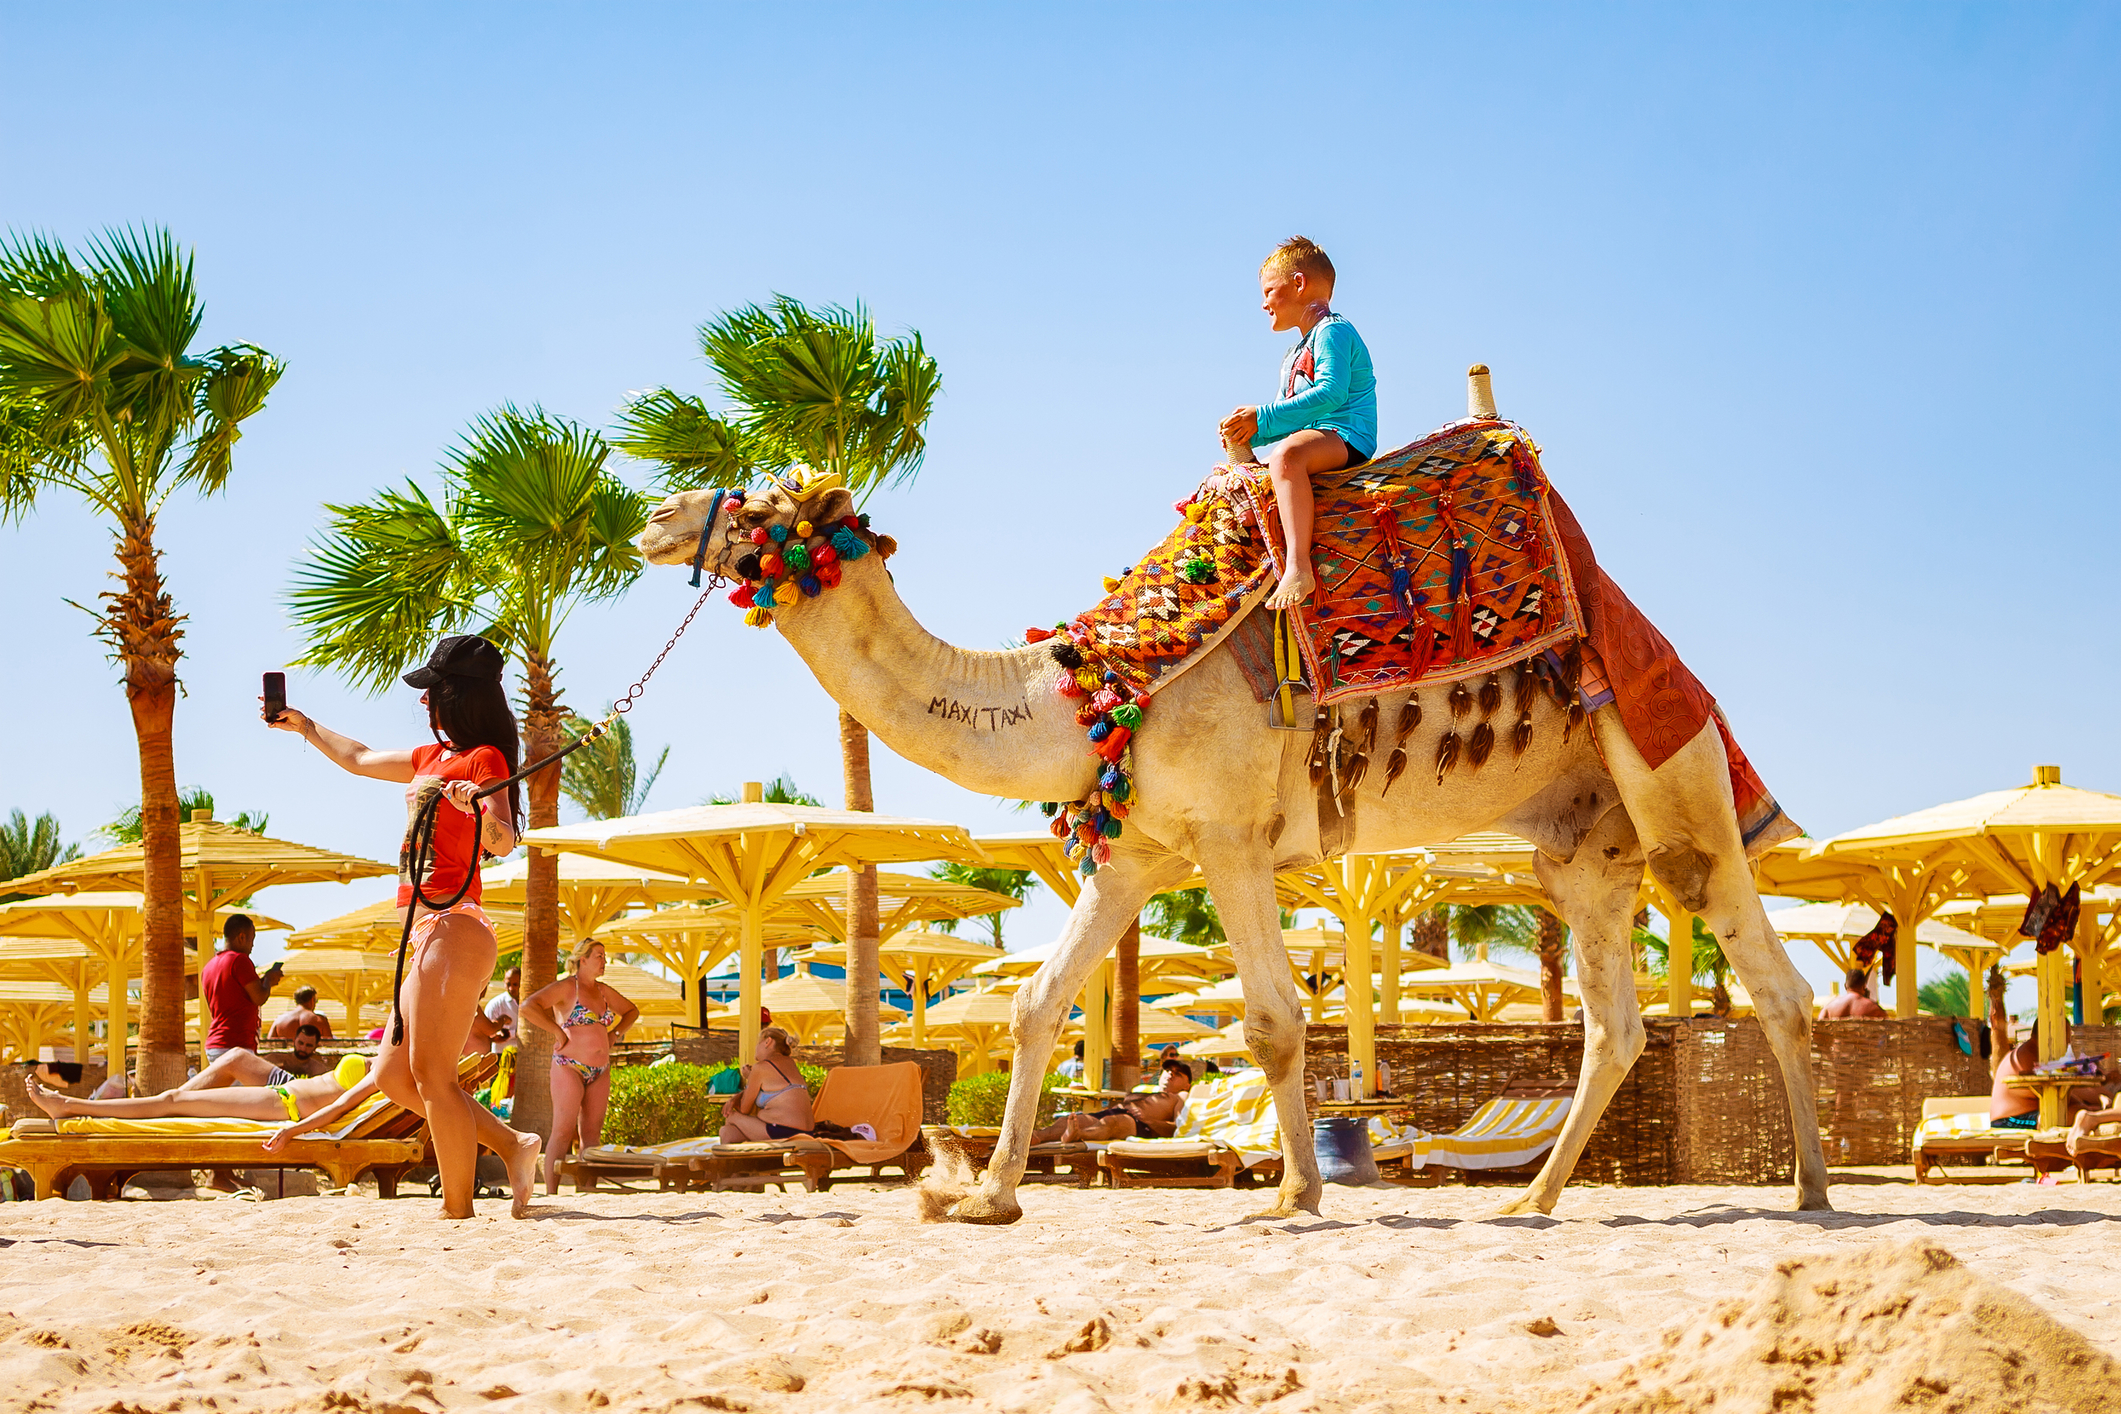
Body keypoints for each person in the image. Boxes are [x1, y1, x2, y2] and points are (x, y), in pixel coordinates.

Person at [266, 633, 542, 1218]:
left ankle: (458, 1209)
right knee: (395, 1077)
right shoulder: (428, 759)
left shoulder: (484, 759)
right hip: (419, 933)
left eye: (432, 693)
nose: (423, 703)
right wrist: (308, 728)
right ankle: (515, 1146)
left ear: (458, 697)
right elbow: (360, 758)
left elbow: (503, 842)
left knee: (432, 1075)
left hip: (454, 924)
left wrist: (477, 806)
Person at [1218, 235, 1377, 611]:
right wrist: (1251, 429)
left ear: (1299, 284)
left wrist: (1263, 417)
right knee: (1265, 466)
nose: (1264, 303)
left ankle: (1298, 565)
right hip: (1316, 435)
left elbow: (1330, 394)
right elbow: (1290, 411)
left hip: (1346, 434)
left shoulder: (1334, 332)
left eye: (1271, 291)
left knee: (1286, 457)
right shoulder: (1295, 352)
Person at [28, 1052, 381, 1148]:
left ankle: (70, 1105)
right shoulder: (386, 1055)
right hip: (279, 1095)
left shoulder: (384, 1076)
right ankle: (71, 1104)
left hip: (280, 1106)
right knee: (174, 1099)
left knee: (173, 1098)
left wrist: (292, 1130)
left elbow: (337, 1109)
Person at [521, 939, 639, 1193]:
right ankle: (551, 1193)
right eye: (599, 956)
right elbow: (528, 1006)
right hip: (569, 1066)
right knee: (562, 1131)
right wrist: (556, 1030)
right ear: (582, 959)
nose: (604, 961)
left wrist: (615, 1034)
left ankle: (587, 1191)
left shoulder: (604, 991)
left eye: (605, 957)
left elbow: (631, 1011)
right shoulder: (566, 988)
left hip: (601, 1070)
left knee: (592, 1136)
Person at [1028, 1057, 1195, 1144]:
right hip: (1118, 1113)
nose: (1170, 1074)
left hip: (1141, 1125)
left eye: (1177, 1073)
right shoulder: (1144, 1091)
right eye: (1167, 1070)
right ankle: (1037, 1137)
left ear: (1187, 1084)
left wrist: (1148, 1120)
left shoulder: (1181, 1096)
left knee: (1112, 1122)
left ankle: (1078, 1134)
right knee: (1070, 1119)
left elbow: (1177, 1128)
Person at [201, 915, 284, 1061]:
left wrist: (262, 981)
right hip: (235, 1044)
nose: (252, 946)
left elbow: (234, 996)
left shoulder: (209, 966)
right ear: (241, 937)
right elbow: (259, 997)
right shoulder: (240, 960)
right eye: (252, 939)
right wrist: (269, 980)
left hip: (216, 1044)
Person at [1990, 1026, 2108, 1129]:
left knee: (2079, 1112)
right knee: (2067, 1117)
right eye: (2066, 1034)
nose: (2068, 1041)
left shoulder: (2039, 1053)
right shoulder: (2028, 1054)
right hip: (2008, 1120)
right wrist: (2091, 1106)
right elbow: (2051, 1088)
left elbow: (2064, 1092)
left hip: (2031, 1113)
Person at [719, 1027, 813, 1143]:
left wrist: (749, 1080)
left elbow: (744, 1109)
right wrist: (739, 1092)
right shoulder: (790, 1063)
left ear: (768, 1042)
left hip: (783, 1132)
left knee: (731, 1116)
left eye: (758, 1043)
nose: (756, 1048)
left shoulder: (761, 1067)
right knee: (727, 1133)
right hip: (806, 1133)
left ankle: (729, 1160)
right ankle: (736, 1159)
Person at [268, 986, 333, 1041]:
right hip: (311, 1055)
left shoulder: (280, 1020)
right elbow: (330, 1044)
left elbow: (269, 1044)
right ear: (312, 1000)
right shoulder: (319, 1020)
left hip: (287, 1055)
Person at [1820, 968, 1888, 1019]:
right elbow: (1887, 1032)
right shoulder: (1875, 1010)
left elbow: (1817, 1031)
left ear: (1845, 986)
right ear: (1864, 986)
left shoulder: (1829, 1008)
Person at [485, 965, 523, 1052]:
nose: (511, 988)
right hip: (501, 1053)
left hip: (524, 1054)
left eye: (515, 984)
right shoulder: (494, 1005)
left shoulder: (530, 1003)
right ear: (504, 982)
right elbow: (487, 1032)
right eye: (508, 984)